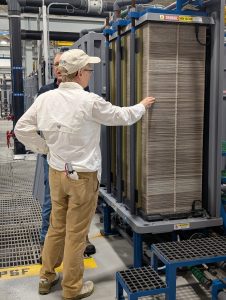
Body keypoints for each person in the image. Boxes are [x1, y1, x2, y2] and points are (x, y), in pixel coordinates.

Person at [14, 49, 155, 300]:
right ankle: (72, 289)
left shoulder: (46, 99)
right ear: (79, 73)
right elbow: (122, 116)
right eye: (89, 70)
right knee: (77, 234)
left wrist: (45, 148)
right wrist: (142, 106)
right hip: (83, 177)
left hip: (57, 172)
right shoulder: (89, 101)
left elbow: (21, 129)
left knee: (56, 228)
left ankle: (46, 278)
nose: (90, 74)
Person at [38, 52, 96, 258]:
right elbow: (35, 126)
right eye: (55, 64)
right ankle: (46, 242)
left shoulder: (84, 91)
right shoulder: (45, 92)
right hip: (54, 158)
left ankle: (81, 239)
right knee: (51, 203)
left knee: (76, 209)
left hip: (76, 162)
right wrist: (45, 147)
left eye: (61, 64)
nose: (58, 68)